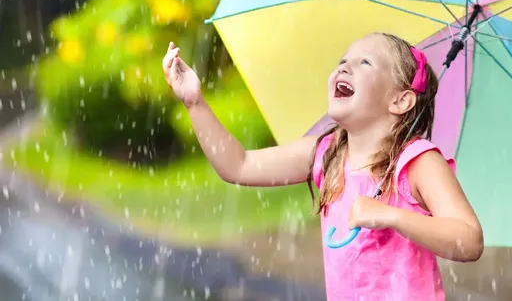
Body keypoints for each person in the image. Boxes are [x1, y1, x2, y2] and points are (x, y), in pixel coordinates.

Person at [162, 32, 484, 300]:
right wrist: (195, 103)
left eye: (365, 62)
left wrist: (393, 215)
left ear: (399, 100)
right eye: (343, 61)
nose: (345, 67)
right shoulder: (326, 153)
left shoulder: (417, 162)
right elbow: (239, 166)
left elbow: (469, 240)